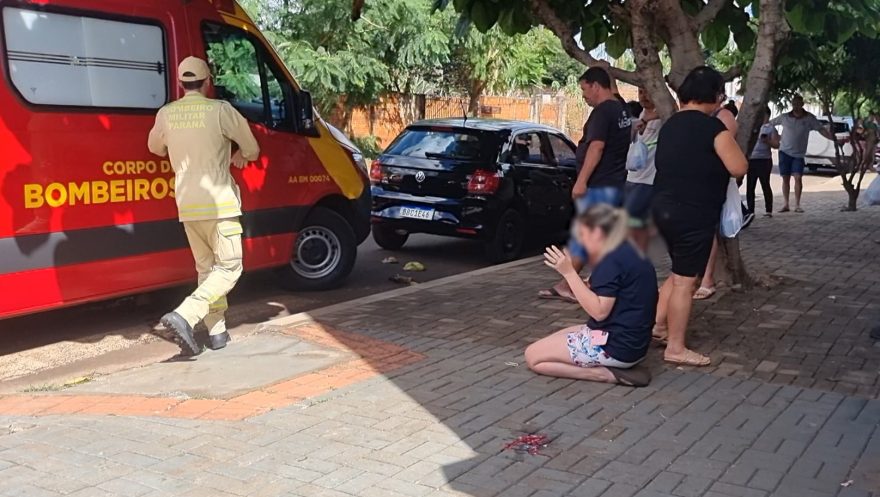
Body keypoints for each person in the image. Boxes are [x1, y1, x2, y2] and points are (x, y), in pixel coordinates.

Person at [148, 56, 260, 355]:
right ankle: (186, 315)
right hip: (219, 203)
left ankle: (217, 331)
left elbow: (155, 148)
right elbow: (252, 147)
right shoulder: (221, 110)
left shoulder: (167, 114)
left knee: (207, 269)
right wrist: (241, 155)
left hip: (187, 204)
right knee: (230, 267)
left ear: (181, 84)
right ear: (208, 82)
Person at [651, 66, 748, 366]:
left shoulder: (670, 126)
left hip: (661, 207)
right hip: (693, 213)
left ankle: (657, 326)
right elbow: (739, 167)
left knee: (679, 271)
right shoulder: (713, 130)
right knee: (685, 281)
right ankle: (676, 347)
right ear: (717, 96)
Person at [525, 205, 657, 387]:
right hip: (633, 342)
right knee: (561, 335)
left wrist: (569, 273)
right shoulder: (630, 252)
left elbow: (599, 312)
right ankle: (618, 366)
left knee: (533, 356)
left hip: (615, 347)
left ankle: (604, 374)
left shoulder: (609, 262)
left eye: (583, 234)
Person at [538, 66, 631, 302]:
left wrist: (581, 181)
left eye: (584, 89)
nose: (583, 95)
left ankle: (585, 284)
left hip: (600, 184)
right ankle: (570, 283)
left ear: (596, 86)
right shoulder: (621, 109)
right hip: (613, 182)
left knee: (591, 236)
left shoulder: (602, 112)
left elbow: (596, 147)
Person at [693, 98, 739, 301]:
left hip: (711, 182)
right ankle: (696, 276)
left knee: (708, 229)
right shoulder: (693, 117)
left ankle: (707, 279)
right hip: (693, 182)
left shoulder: (723, 117)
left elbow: (732, 160)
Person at [769, 94, 839, 213]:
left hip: (799, 154)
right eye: (794, 104)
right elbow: (770, 124)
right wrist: (775, 136)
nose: (796, 106)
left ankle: (797, 204)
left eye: (798, 104)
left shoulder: (809, 118)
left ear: (802, 104)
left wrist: (833, 139)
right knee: (785, 178)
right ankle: (786, 204)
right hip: (784, 152)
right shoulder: (784, 117)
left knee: (798, 177)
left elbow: (821, 129)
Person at [625, 88, 661, 252]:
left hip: (647, 180)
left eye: (647, 92)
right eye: (640, 92)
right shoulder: (640, 114)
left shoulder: (662, 115)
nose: (644, 96)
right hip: (632, 177)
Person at [747, 107, 780, 217]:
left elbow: (776, 145)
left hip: (764, 160)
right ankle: (750, 211)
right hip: (751, 159)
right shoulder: (752, 126)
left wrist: (767, 141)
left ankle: (768, 210)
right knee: (750, 185)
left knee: (765, 184)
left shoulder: (770, 128)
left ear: (767, 115)